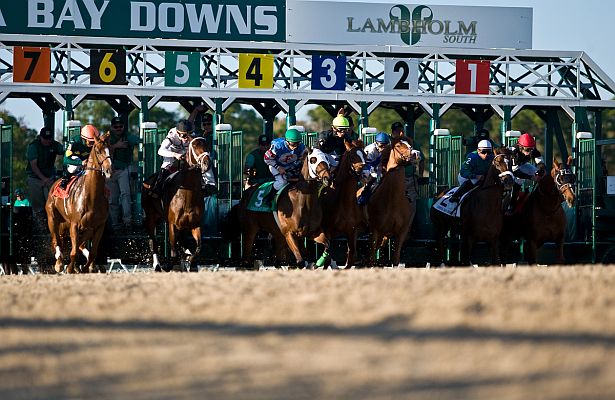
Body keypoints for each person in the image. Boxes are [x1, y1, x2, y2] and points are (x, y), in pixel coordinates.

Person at [25, 126, 63, 231]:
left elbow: (65, 151)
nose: (47, 141)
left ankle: (55, 228)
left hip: (50, 178)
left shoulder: (55, 145)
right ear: (40, 137)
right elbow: (33, 165)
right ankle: (40, 229)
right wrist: (44, 179)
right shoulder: (34, 146)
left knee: (52, 205)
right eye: (45, 138)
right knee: (38, 207)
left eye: (49, 138)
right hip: (35, 178)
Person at [108, 116, 139, 231]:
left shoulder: (127, 136)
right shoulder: (107, 137)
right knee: (112, 199)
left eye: (120, 126)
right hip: (110, 172)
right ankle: (115, 224)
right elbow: (101, 149)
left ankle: (128, 222)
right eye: (115, 126)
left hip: (123, 170)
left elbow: (138, 140)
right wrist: (116, 146)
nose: (118, 128)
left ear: (123, 126)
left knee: (125, 194)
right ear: (112, 127)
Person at [148, 119, 195, 197]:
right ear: (177, 133)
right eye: (184, 135)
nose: (186, 138)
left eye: (189, 135)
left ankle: (207, 184)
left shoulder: (192, 135)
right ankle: (158, 187)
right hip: (173, 152)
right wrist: (174, 154)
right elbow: (160, 151)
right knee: (167, 162)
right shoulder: (172, 134)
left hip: (186, 151)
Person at [263, 128, 306, 203]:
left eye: (297, 143)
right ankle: (269, 198)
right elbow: (267, 159)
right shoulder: (277, 146)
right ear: (287, 141)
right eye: (293, 144)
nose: (295, 146)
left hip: (291, 166)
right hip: (275, 165)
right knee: (282, 182)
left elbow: (303, 158)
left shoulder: (301, 147)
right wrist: (278, 167)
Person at [507, 132, 546, 213]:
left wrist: (540, 169)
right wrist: (532, 177)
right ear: (520, 147)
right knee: (519, 179)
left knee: (542, 175)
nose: (530, 152)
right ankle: (511, 204)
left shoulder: (531, 148)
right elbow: (516, 172)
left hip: (523, 164)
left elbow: (540, 161)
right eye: (527, 149)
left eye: (531, 149)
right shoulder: (514, 152)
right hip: (510, 170)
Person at [59, 124, 99, 189]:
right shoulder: (74, 143)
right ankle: (65, 179)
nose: (93, 144)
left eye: (94, 142)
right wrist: (80, 163)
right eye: (91, 142)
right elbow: (65, 160)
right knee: (75, 161)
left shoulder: (94, 144)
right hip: (75, 162)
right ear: (84, 139)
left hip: (88, 162)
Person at [358, 132, 390, 205]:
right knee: (373, 178)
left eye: (386, 145)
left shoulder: (388, 149)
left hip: (378, 168)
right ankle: (363, 196)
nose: (383, 148)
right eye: (381, 145)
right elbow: (369, 164)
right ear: (376, 143)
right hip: (367, 168)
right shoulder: (370, 149)